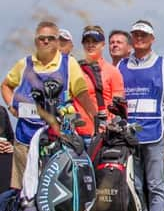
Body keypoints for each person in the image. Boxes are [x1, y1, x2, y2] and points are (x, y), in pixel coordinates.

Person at [1, 21, 96, 191]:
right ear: (36, 41)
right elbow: (6, 85)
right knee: (22, 192)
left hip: (58, 140)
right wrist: (11, 106)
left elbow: (82, 94)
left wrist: (95, 118)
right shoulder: (24, 64)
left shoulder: (68, 64)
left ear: (57, 42)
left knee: (56, 190)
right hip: (25, 138)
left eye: (50, 38)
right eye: (41, 38)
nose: (46, 42)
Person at [118, 19, 164, 211]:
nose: (139, 38)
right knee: (135, 187)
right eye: (135, 34)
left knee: (155, 186)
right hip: (129, 137)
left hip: (154, 134)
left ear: (152, 39)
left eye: (144, 35)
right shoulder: (122, 65)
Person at [74, 25, 125, 145]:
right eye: (87, 42)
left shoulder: (112, 71)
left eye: (95, 42)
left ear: (103, 44)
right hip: (76, 134)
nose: (90, 45)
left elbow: (117, 106)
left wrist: (109, 126)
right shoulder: (74, 69)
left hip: (102, 135)